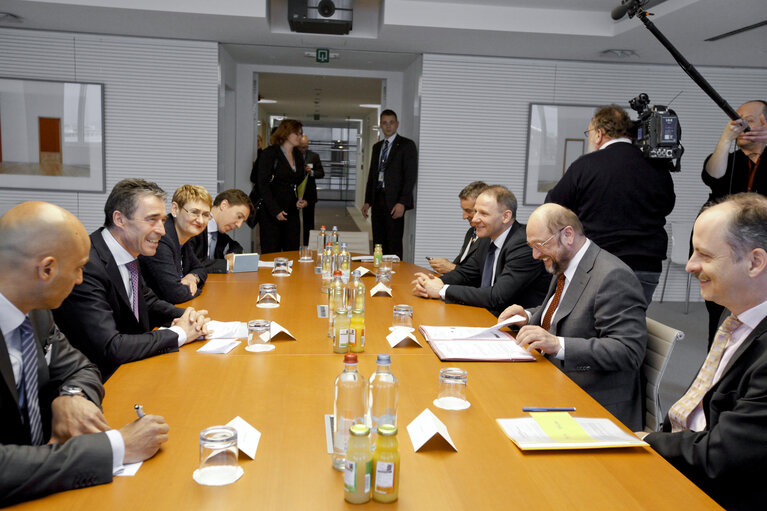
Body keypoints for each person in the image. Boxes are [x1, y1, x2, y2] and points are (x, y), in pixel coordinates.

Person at [0, 201, 169, 506]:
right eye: (78, 268)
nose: (81, 280)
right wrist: (116, 446)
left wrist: (72, 397)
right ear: (47, 269)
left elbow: (81, 367)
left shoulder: (35, 312)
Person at [637, 193, 767, 510]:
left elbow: (723, 456)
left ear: (754, 262)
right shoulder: (733, 317)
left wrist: (646, 442)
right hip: (682, 464)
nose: (690, 266)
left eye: (704, 255)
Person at [499, 203, 647, 430]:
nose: (535, 255)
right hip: (556, 378)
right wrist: (528, 317)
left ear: (568, 234)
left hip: (593, 399)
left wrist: (558, 344)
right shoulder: (567, 262)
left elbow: (628, 351)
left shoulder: (613, 276)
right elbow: (563, 308)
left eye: (540, 245)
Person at [53, 179, 210, 381]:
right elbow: (110, 346)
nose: (162, 231)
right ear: (119, 219)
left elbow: (148, 302)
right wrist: (179, 333)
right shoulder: (86, 266)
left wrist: (189, 317)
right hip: (101, 380)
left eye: (163, 220)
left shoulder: (128, 253)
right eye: (152, 219)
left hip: (133, 368)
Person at [546, 104, 675, 305]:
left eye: (589, 133)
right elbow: (667, 205)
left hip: (599, 264)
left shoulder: (586, 165)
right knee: (629, 322)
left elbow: (553, 207)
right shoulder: (658, 167)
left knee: (589, 325)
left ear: (599, 134)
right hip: (646, 266)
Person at [412, 186, 549, 316]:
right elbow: (466, 273)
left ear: (506, 217)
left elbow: (497, 296)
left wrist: (442, 290)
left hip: (515, 328)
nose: (475, 219)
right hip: (485, 315)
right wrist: (432, 284)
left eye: (483, 213)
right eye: (476, 211)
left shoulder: (524, 245)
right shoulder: (486, 238)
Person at [701, 100, 767, 345]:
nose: (740, 126)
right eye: (736, 121)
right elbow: (712, 176)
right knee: (718, 315)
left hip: (760, 253)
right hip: (725, 252)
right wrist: (726, 139)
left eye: (747, 121)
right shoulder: (730, 158)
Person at [139, 184, 211, 304]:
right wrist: (195, 289)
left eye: (205, 215)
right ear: (175, 209)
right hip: (151, 317)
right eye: (194, 212)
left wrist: (192, 277)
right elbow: (175, 294)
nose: (200, 220)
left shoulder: (183, 237)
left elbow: (200, 268)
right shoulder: (160, 238)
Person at [362, 109, 418, 260]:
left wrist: (402, 203)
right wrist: (367, 201)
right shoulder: (377, 147)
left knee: (393, 243)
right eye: (385, 123)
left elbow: (410, 177)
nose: (388, 126)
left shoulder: (406, 145)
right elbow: (372, 176)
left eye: (391, 123)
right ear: (380, 125)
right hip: (378, 199)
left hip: (395, 202)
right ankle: (379, 272)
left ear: (397, 124)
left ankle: (395, 276)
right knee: (378, 243)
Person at [257, 119, 308, 254]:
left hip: (292, 209)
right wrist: (275, 210)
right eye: (297, 133)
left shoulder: (298, 155)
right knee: (271, 251)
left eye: (301, 133)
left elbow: (301, 181)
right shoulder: (269, 154)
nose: (300, 137)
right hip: (271, 210)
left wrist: (303, 199)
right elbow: (262, 184)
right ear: (286, 133)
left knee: (291, 251)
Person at [428, 181, 487, 274]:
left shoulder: (491, 237)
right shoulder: (471, 232)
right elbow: (461, 266)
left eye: (468, 211)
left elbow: (482, 276)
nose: (464, 217)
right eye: (463, 210)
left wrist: (451, 268)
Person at [188, 189, 252, 274]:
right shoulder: (193, 225)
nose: (239, 225)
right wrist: (227, 264)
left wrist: (232, 255)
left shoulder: (219, 231)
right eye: (239, 216)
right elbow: (190, 263)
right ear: (224, 205)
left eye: (242, 221)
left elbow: (235, 246)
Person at [298, 135, 325, 247]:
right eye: (301, 147)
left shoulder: (314, 156)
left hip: (309, 193)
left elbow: (321, 173)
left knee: (309, 222)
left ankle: (308, 246)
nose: (303, 149)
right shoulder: (290, 155)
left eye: (305, 147)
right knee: (293, 222)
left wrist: (312, 172)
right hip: (294, 192)